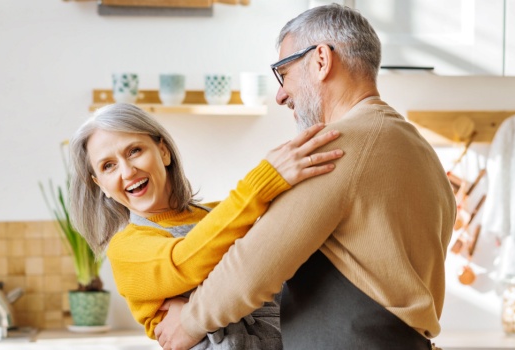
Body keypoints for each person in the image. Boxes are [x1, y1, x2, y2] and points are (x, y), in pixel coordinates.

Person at [154, 4, 456, 350]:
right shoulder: (419, 150)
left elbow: (254, 263)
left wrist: (190, 321)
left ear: (321, 60)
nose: (281, 94)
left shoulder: (338, 146)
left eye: (284, 72)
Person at [68, 103, 344, 349]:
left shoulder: (218, 216)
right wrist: (264, 182)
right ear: (100, 185)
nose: (127, 172)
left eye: (135, 151)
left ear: (163, 151)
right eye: (108, 166)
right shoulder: (126, 249)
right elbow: (187, 262)